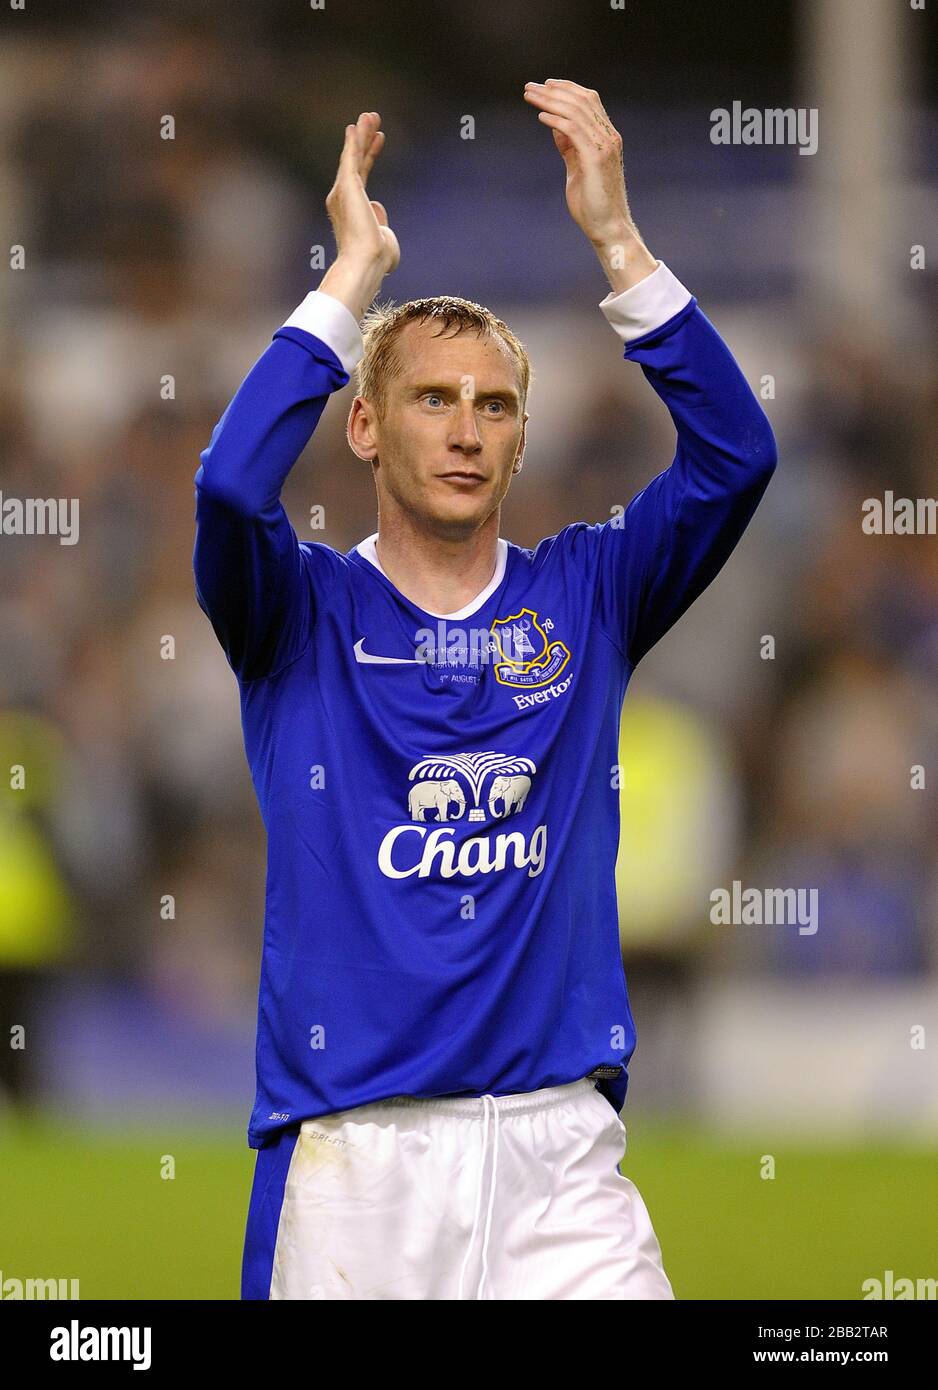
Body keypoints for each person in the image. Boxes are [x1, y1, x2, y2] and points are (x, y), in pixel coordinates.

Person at [193, 83, 777, 1300]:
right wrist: (349, 281)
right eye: (431, 398)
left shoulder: (589, 593)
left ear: (518, 440)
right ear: (361, 426)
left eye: (494, 405)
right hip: (357, 1164)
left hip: (560, 1156)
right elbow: (229, 491)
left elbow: (736, 455)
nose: (466, 429)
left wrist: (618, 242)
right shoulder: (295, 613)